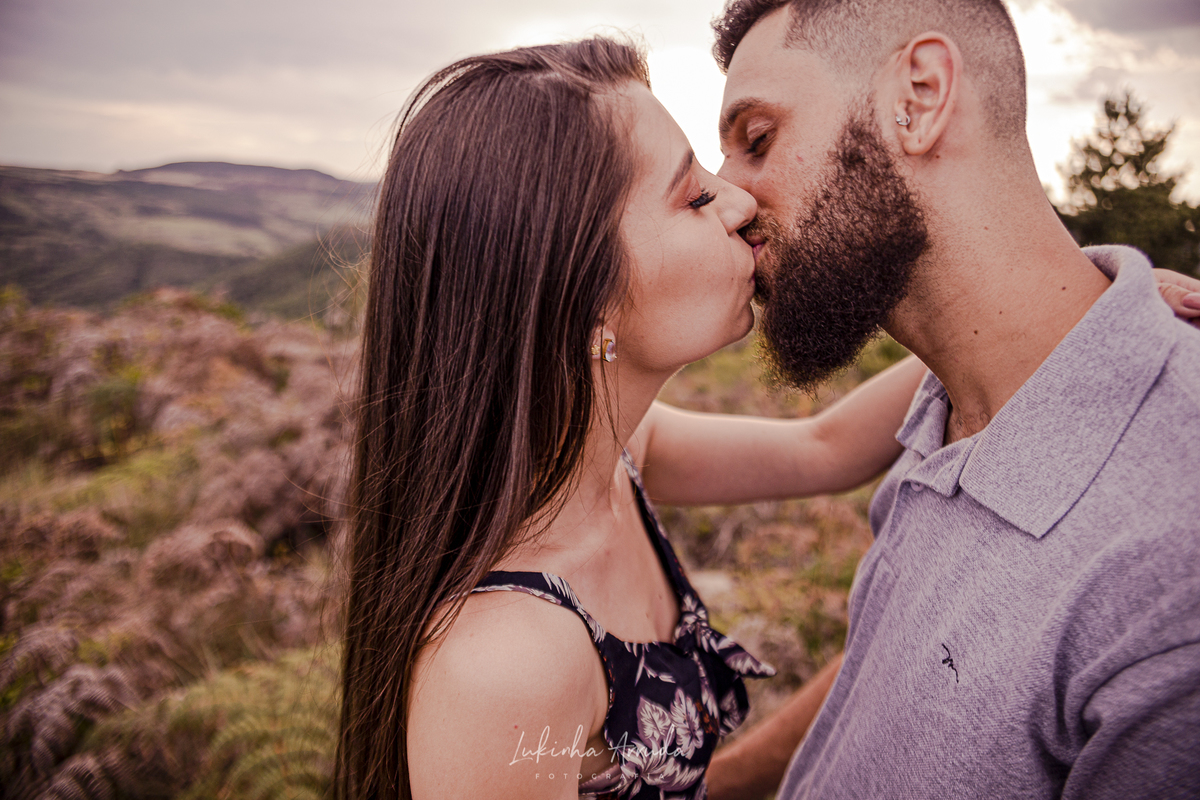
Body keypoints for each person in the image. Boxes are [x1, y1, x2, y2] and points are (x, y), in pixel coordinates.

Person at [333, 37, 940, 800]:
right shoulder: (505, 667)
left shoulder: (612, 460)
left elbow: (826, 448)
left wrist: (1041, 312)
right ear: (582, 302)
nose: (740, 203)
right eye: (694, 198)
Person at [702, 1, 1200, 798]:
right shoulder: (954, 410)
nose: (728, 199)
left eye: (757, 139)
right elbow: (900, 675)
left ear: (920, 97)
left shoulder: (1171, 558)